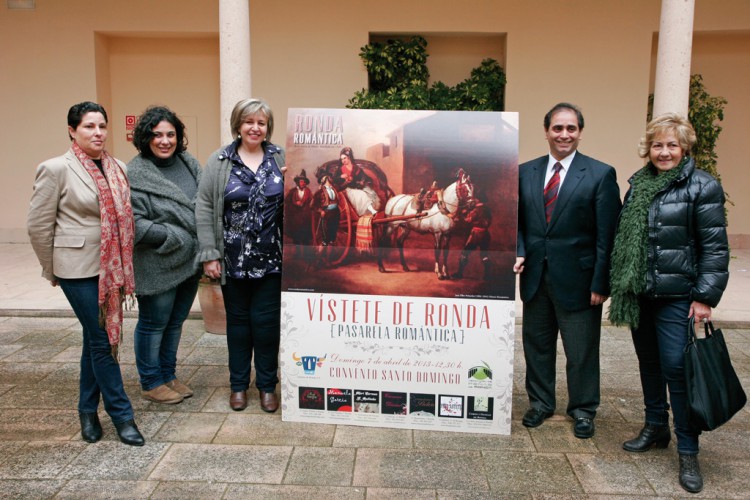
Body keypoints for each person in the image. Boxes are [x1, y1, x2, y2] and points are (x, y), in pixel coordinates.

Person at [609, 113, 729, 494]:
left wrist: (705, 297)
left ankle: (689, 450)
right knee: (650, 363)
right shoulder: (638, 184)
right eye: (658, 145)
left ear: (685, 148)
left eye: (671, 145)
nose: (664, 152)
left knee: (678, 369)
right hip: (640, 294)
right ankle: (655, 426)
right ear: (649, 148)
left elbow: (714, 247)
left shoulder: (702, 186)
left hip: (678, 296)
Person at [27, 101, 144, 446]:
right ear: (72, 130)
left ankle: (87, 411)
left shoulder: (118, 166)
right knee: (103, 340)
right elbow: (38, 225)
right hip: (76, 268)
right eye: (89, 127)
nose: (97, 133)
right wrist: (51, 268)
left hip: (112, 268)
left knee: (92, 341)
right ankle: (122, 416)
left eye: (102, 126)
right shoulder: (55, 168)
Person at [513, 102, 621, 439]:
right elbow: (515, 223)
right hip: (535, 279)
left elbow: (608, 236)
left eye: (571, 128)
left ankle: (583, 409)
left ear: (579, 133)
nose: (564, 134)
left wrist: (602, 282)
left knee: (581, 351)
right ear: (546, 132)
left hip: (580, 281)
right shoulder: (524, 172)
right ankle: (541, 403)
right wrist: (518, 252)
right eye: (558, 128)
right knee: (537, 346)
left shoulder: (601, 174)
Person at [195, 98, 285, 413]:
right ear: (238, 125)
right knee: (238, 324)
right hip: (232, 260)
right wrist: (210, 254)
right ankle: (237, 385)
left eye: (261, 123)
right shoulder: (220, 161)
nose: (255, 128)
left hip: (272, 259)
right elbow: (205, 207)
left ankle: (266, 386)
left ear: (267, 128)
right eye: (249, 122)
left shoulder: (281, 158)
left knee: (266, 324)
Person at [127, 106, 202, 405]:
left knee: (175, 321)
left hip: (189, 261)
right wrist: (175, 237)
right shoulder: (135, 173)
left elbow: (205, 200)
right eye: (157, 135)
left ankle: (168, 374)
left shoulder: (189, 163)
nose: (164, 141)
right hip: (158, 261)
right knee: (153, 322)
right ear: (145, 138)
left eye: (170, 134)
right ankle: (150, 381)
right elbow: (133, 222)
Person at [284, 169, 314, 253]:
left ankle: (306, 254)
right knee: (296, 237)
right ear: (298, 182)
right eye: (301, 181)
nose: (303, 183)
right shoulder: (293, 192)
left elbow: (312, 202)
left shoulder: (308, 192)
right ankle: (297, 254)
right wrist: (295, 204)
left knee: (305, 237)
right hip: (295, 219)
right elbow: (287, 203)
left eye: (304, 182)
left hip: (306, 218)